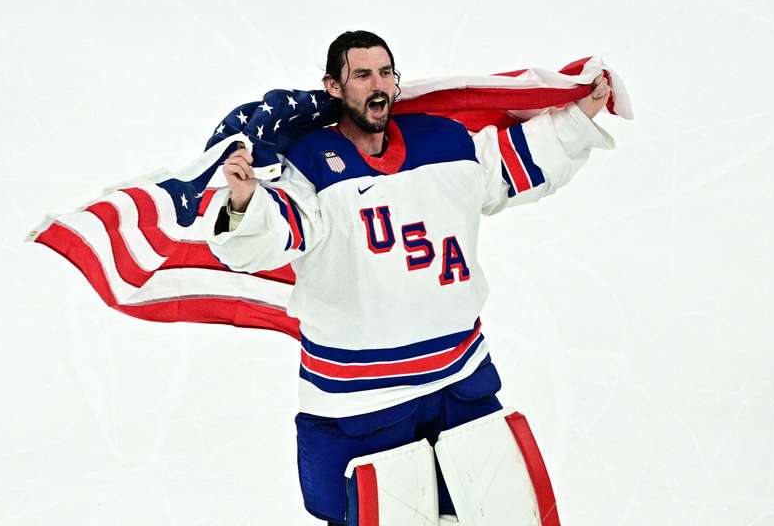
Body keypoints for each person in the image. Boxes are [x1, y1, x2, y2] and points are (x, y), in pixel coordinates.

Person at [207, 30, 615, 524]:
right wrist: (244, 202)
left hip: (459, 380)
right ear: (333, 86)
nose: (377, 85)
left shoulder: (442, 140)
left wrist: (578, 114)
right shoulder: (310, 163)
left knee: (501, 513)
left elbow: (515, 161)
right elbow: (275, 234)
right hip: (363, 402)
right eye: (361, 75)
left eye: (385, 73)